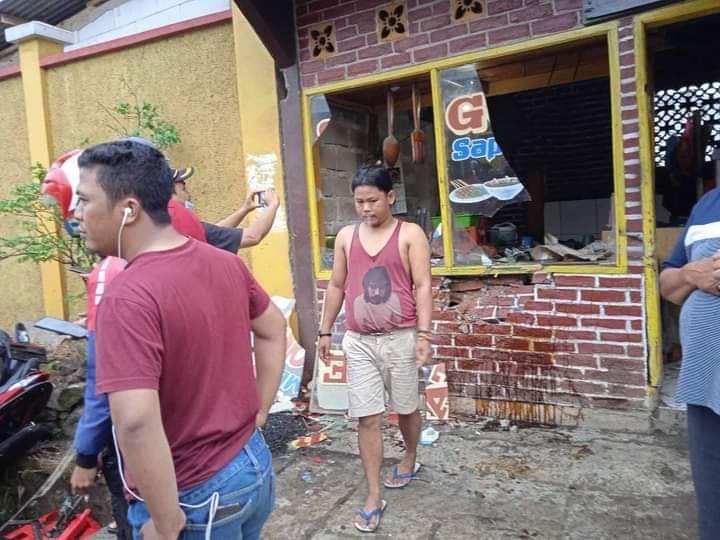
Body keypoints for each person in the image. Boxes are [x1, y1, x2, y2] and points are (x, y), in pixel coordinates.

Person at [73, 139, 286, 539]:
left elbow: (135, 422)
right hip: (251, 467)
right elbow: (274, 329)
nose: (77, 215)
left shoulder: (126, 295)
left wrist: (167, 522)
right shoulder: (225, 263)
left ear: (129, 209)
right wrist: (259, 411)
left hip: (194, 494)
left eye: (84, 201)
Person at [317, 165, 433, 533]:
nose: (365, 208)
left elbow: (423, 286)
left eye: (372, 200)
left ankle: (411, 455)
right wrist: (325, 332)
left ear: (390, 197)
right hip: (359, 341)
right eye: (359, 202)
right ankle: (373, 495)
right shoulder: (347, 237)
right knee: (367, 417)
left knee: (406, 408)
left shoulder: (410, 234)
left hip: (401, 337)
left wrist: (424, 335)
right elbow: (336, 286)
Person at [660, 187, 720, 540]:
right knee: (712, 499)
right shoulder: (706, 205)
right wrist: (690, 274)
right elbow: (667, 284)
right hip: (704, 382)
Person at [171, 167, 280, 252]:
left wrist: (244, 209)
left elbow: (215, 233)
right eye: (183, 189)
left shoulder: (169, 225)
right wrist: (272, 205)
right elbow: (252, 237)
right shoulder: (182, 225)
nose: (189, 195)